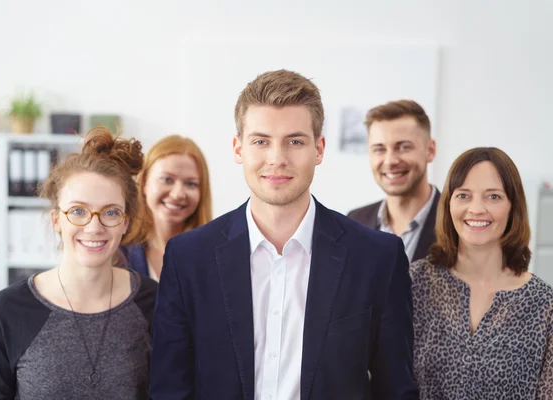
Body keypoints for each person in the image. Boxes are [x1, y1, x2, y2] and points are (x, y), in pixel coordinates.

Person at [149, 69, 419, 399]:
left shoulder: (377, 257)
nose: (277, 159)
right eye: (261, 141)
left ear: (319, 149)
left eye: (294, 141)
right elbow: (169, 389)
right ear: (238, 149)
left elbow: (396, 389)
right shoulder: (188, 257)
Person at [0, 127, 157, 400]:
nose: (94, 226)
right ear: (56, 220)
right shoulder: (9, 309)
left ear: (125, 222)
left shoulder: (153, 300)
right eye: (78, 211)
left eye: (111, 212)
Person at [410, 147, 553, 399]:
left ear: (513, 206)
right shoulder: (413, 282)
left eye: (493, 197)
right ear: (449, 203)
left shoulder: (545, 305)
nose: (476, 209)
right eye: (463, 195)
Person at [348, 100, 439, 262]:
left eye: (403, 147)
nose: (390, 161)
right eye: (380, 149)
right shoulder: (355, 221)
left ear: (430, 150)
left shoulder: (457, 224)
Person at [123, 135, 212, 280]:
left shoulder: (215, 257)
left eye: (191, 184)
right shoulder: (119, 254)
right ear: (144, 182)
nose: (178, 194)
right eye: (167, 180)